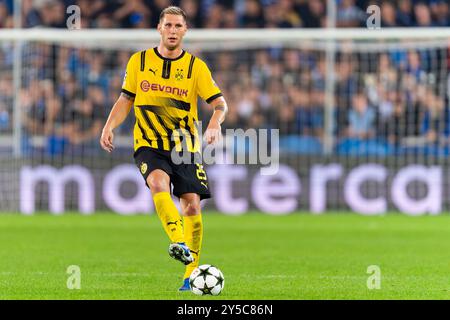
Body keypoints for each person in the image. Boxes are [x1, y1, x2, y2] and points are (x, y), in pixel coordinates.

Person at [99, 6, 228, 291]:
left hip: (184, 146)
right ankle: (177, 240)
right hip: (148, 143)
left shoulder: (196, 67)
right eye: (168, 25)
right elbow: (125, 99)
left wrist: (215, 123)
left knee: (192, 204)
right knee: (158, 183)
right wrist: (109, 126)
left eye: (177, 26)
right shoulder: (139, 61)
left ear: (185, 31)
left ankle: (190, 274)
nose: (172, 31)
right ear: (159, 28)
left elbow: (220, 104)